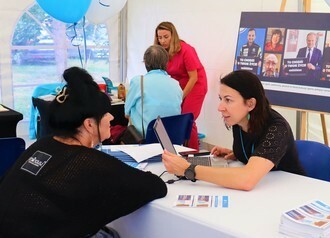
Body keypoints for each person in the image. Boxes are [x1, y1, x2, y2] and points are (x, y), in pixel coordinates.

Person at [0, 67, 167, 237]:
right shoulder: (89, 161)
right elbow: (155, 186)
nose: (111, 117)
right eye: (105, 114)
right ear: (89, 124)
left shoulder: (41, 145)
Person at [161, 70, 305, 191]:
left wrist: (189, 169)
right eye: (221, 99)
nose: (220, 107)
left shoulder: (277, 128)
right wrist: (239, 153)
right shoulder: (240, 120)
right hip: (263, 192)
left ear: (250, 103)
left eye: (228, 100)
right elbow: (257, 149)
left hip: (290, 192)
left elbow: (246, 180)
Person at [154, 21, 208, 150]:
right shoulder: (162, 52)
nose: (163, 41)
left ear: (173, 36)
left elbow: (193, 77)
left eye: (166, 37)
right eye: (159, 37)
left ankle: (193, 154)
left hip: (195, 84)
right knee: (177, 118)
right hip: (179, 86)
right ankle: (180, 150)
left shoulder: (186, 50)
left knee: (188, 118)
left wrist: (180, 97)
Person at [125, 45, 182, 136]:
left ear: (145, 62)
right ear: (166, 63)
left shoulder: (138, 82)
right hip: (171, 138)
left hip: (144, 138)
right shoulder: (176, 84)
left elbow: (126, 112)